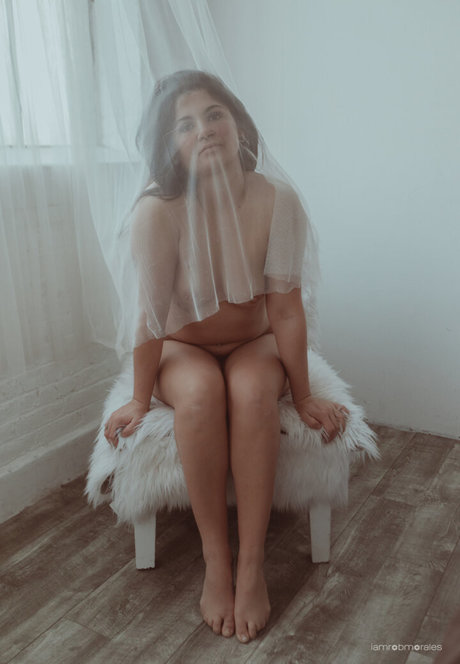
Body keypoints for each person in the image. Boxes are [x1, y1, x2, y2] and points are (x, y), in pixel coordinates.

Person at [103, 70, 349, 644]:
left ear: (239, 123)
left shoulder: (277, 199)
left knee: (252, 390)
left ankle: (252, 563)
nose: (205, 130)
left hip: (253, 340)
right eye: (185, 125)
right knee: (200, 393)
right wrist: (138, 399)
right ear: (171, 147)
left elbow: (286, 309)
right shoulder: (156, 212)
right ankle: (217, 561)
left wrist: (304, 395)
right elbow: (150, 319)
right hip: (182, 347)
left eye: (214, 114)